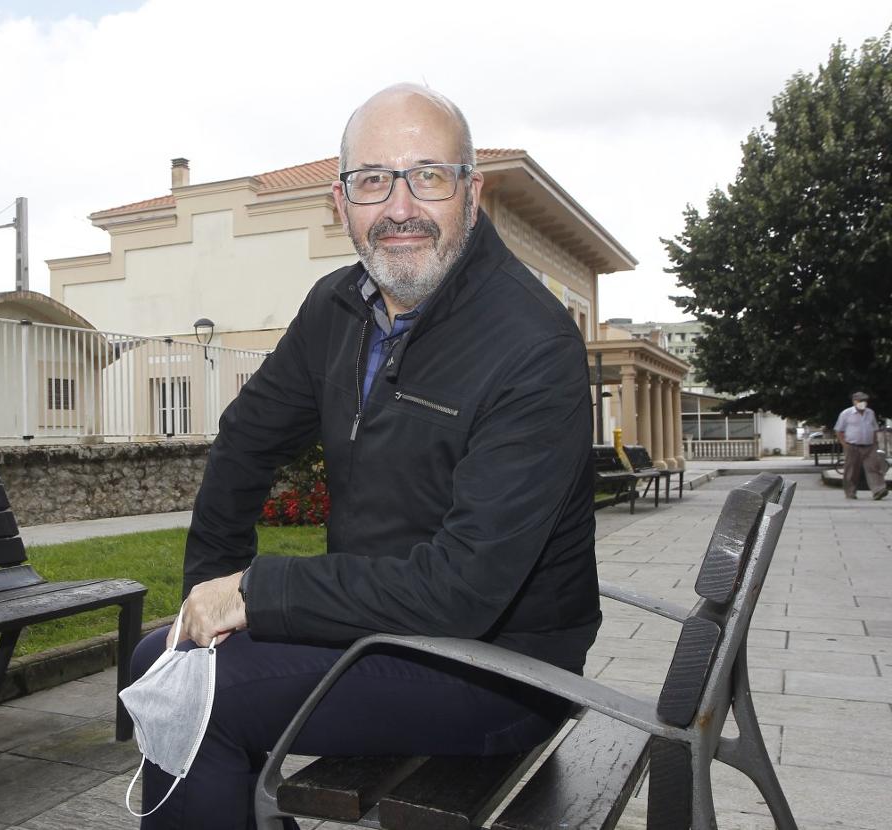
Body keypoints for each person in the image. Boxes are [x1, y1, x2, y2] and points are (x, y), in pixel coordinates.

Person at [128, 83, 600, 828]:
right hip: (375, 631)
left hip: (499, 669)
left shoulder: (530, 344)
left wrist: (253, 591)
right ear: (340, 204)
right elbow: (247, 437)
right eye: (373, 180)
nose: (401, 206)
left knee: (189, 687)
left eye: (429, 176)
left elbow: (463, 591)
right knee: (172, 657)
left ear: (471, 193)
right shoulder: (337, 306)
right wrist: (207, 589)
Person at [835, 391, 887, 500]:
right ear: (854, 401)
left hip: (869, 446)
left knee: (874, 467)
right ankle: (850, 492)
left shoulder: (870, 413)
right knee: (851, 470)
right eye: (860, 401)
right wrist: (845, 444)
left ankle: (878, 490)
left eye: (865, 401)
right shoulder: (846, 414)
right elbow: (838, 430)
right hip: (852, 445)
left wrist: (875, 443)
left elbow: (874, 429)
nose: (863, 403)